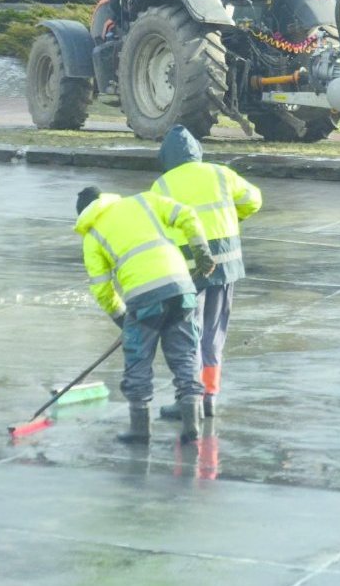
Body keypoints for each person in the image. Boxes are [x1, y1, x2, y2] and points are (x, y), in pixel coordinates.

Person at [74, 184, 216, 444]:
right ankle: (191, 422)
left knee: (138, 360)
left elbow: (102, 289)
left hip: (144, 297)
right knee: (184, 355)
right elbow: (188, 215)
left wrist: (122, 320)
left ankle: (140, 429)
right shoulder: (143, 201)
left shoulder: (92, 236)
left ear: (83, 214)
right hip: (181, 287)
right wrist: (201, 252)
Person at [150, 125, 261, 421]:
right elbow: (254, 199)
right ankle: (210, 396)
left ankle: (190, 398)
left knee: (186, 332)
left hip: (187, 270)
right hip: (226, 263)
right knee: (213, 331)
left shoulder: (161, 186)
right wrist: (233, 218)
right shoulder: (220, 173)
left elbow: (158, 231)